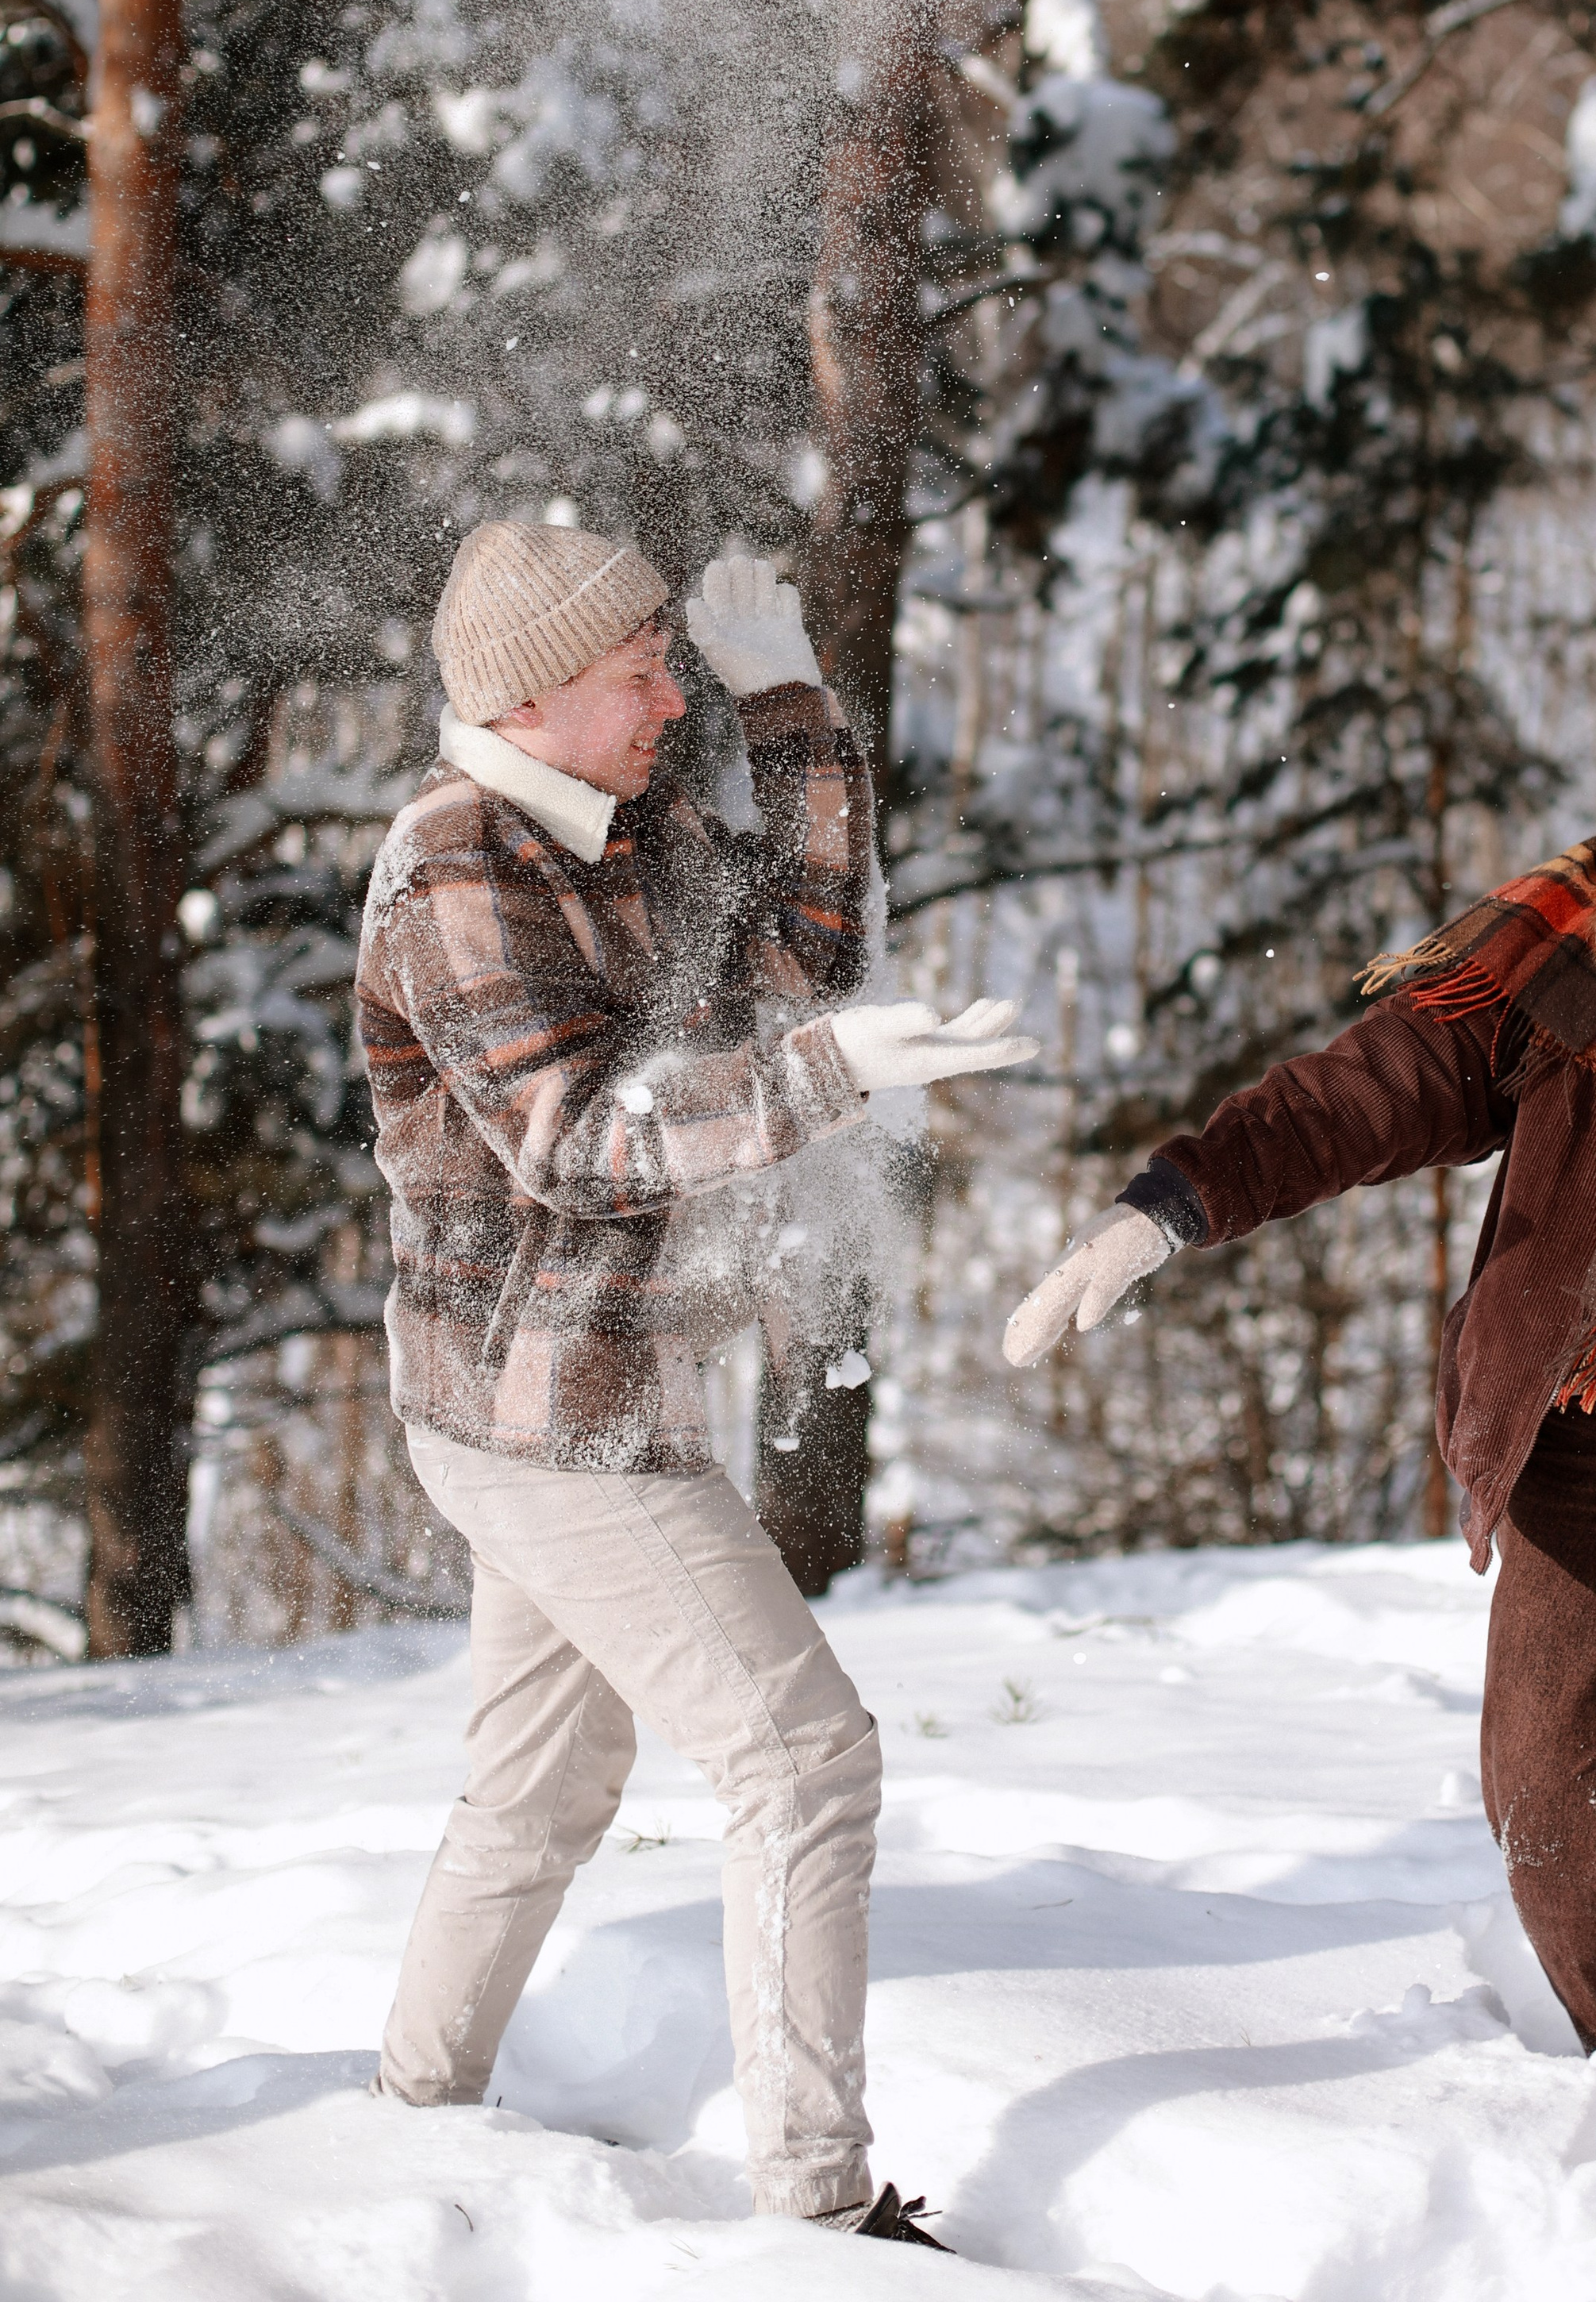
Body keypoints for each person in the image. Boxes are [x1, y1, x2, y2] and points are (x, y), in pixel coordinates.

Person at [1005, 604, 1596, 2273]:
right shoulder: (1565, 955)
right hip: (1584, 1426)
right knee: (1548, 1800)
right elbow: (1353, 1093)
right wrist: (1166, 1208)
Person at [356, 520, 1036, 2244]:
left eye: (677, 663)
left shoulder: (629, 828)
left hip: (581, 1399)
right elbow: (575, 1143)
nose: (674, 698)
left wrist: (790, 709)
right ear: (523, 699)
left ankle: (401, 2126)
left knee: (541, 1791)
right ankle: (816, 2215)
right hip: (550, 1423)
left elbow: (802, 954)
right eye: (638, 673)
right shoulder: (457, 869)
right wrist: (819, 1076)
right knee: (804, 1764)